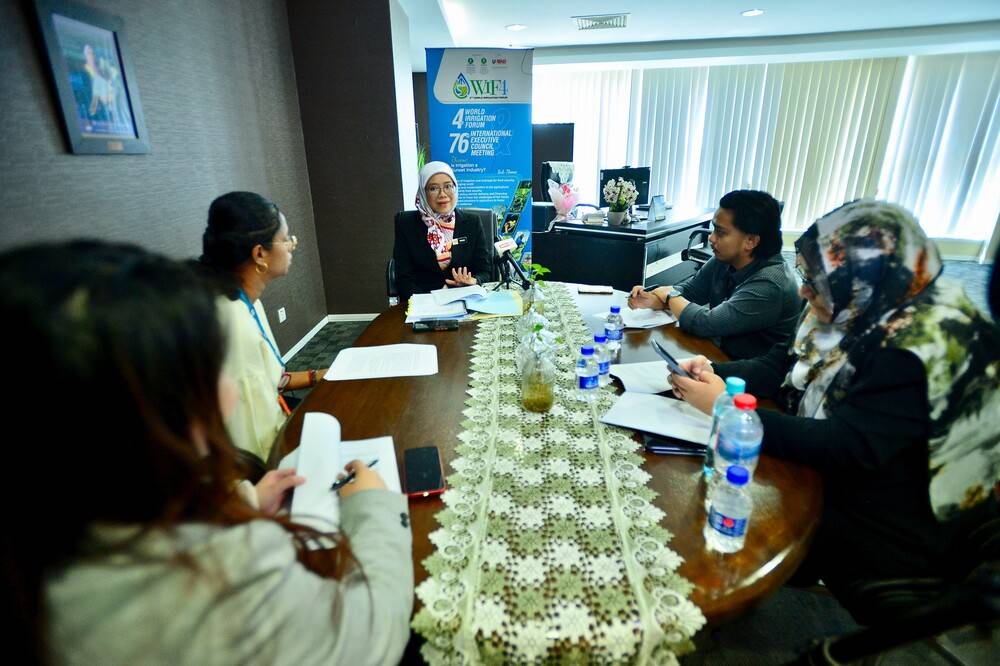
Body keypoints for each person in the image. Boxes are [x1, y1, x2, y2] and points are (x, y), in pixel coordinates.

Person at [1, 241, 413, 665]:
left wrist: (245, 498)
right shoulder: (223, 570)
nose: (230, 398)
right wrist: (376, 505)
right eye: (207, 374)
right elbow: (368, 639)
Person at [670, 200, 1000, 618]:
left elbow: (846, 446)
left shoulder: (920, 345)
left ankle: (710, 611)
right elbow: (781, 361)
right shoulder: (859, 299)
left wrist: (728, 406)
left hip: (898, 512)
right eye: (806, 275)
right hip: (852, 462)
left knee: (726, 513)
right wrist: (713, 369)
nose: (804, 291)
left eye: (815, 280)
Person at [197, 192, 324, 463]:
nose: (291, 246)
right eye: (286, 239)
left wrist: (320, 375)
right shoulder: (233, 320)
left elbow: (270, 379)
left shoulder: (243, 299)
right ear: (259, 254)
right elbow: (253, 435)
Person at [628, 190, 800, 359]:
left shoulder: (771, 284)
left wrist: (670, 295)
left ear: (751, 241)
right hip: (717, 353)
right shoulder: (725, 259)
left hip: (745, 378)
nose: (711, 238)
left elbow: (707, 323)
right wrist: (653, 299)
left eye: (721, 232)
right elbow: (691, 291)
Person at [393, 161, 493, 303]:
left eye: (448, 186)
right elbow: (404, 277)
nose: (442, 194)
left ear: (455, 188)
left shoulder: (472, 223)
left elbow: (485, 271)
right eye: (433, 188)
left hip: (465, 300)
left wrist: (474, 281)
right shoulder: (407, 224)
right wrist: (425, 303)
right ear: (423, 192)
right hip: (423, 302)